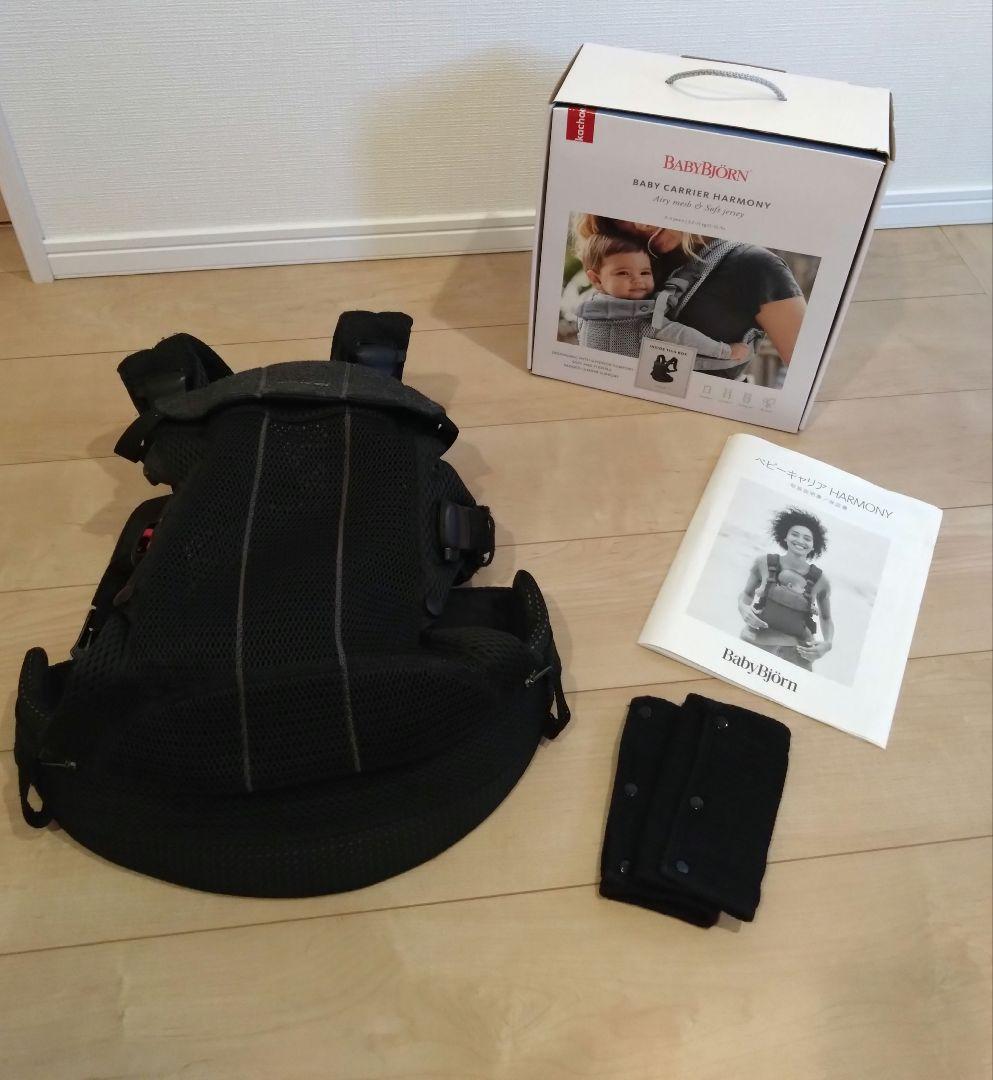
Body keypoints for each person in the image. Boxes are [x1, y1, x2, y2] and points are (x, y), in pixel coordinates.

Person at [573, 216, 807, 379]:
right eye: (624, 217)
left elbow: (805, 372)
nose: (641, 224)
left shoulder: (755, 266)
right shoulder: (629, 261)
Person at [574, 232, 752, 363]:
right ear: (596, 279)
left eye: (645, 272)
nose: (638, 280)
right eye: (623, 273)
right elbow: (683, 336)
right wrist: (726, 351)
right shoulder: (639, 319)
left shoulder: (585, 313)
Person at [737, 508, 834, 671]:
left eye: (807, 538)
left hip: (797, 653)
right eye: (795, 534)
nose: (800, 540)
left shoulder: (820, 580)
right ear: (785, 537)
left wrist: (827, 644)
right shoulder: (763, 562)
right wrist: (743, 608)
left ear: (813, 546)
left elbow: (826, 618)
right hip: (755, 641)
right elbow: (747, 594)